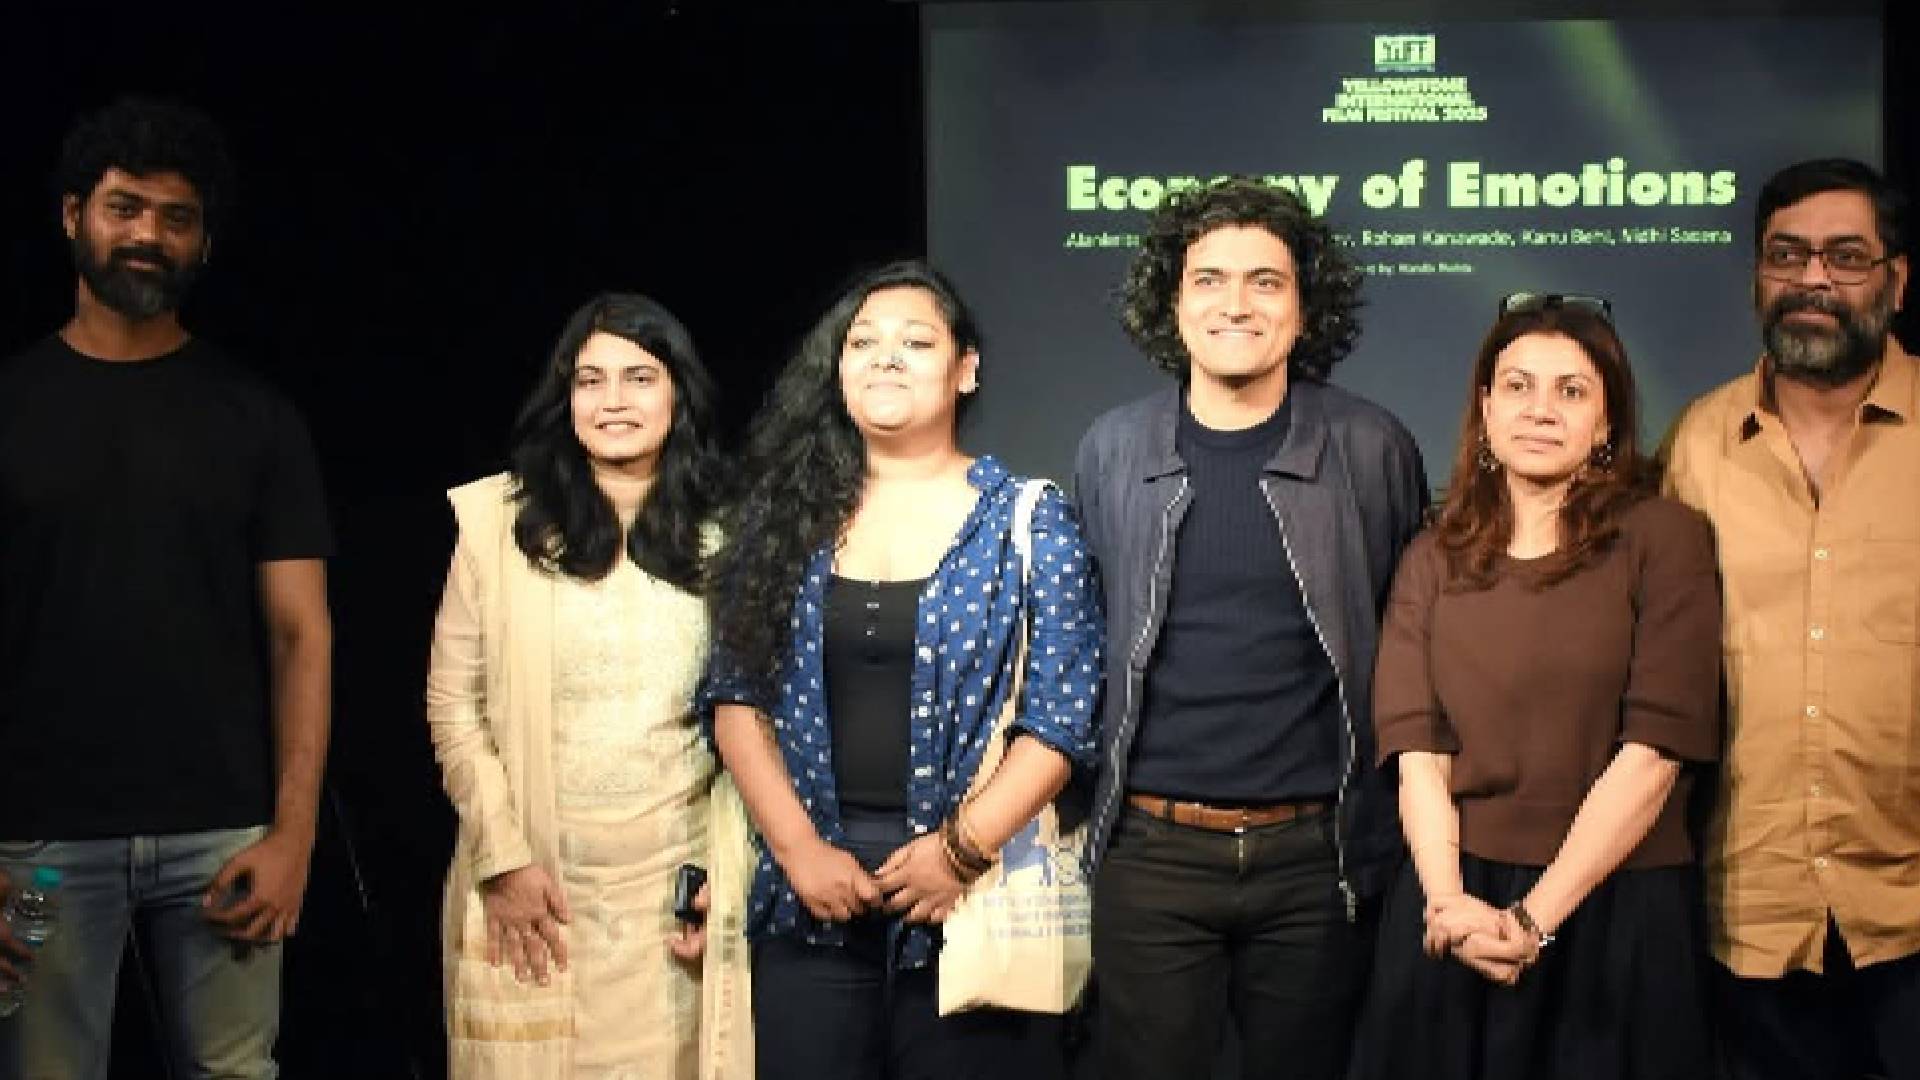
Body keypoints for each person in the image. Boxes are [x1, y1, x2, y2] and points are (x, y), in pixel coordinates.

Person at [0, 97, 333, 1080]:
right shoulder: (9, 407)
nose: (148, 234)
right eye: (125, 207)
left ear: (203, 243)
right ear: (73, 216)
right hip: (37, 847)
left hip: (224, 842)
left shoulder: (258, 418)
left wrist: (295, 835)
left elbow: (302, 636)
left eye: (176, 217)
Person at [704, 260, 1101, 1080]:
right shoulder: (780, 518)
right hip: (810, 896)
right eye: (863, 343)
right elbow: (736, 698)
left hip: (981, 896)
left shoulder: (1029, 519)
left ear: (965, 369)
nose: (886, 357)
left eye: (916, 342)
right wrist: (800, 852)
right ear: (838, 370)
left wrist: (958, 853)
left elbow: (1062, 719)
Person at [1072, 176, 1426, 1080]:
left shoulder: (1371, 446)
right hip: (1152, 851)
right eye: (1209, 279)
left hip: (1318, 857)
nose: (1236, 304)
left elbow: (1409, 642)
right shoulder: (1112, 447)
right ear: (1173, 302)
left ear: (1306, 309)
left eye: (1266, 281)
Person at [1351, 293, 1721, 1079]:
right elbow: (1418, 753)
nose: (1540, 409)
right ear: (1485, 407)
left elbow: (1656, 752)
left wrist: (1532, 922)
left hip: (1614, 905)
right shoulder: (1432, 555)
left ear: (1607, 420)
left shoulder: (1664, 538)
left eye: (1571, 390)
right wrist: (1450, 905)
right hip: (1455, 898)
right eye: (1517, 386)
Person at [424, 293, 751, 1078]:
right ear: (563, 396)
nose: (613, 401)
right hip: (530, 894)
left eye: (639, 377)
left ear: (678, 393)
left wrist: (736, 882)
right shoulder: (497, 524)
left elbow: (760, 720)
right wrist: (503, 860)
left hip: (674, 899)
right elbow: (453, 704)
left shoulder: (732, 531)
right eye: (590, 380)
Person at [1663, 158, 1919, 1080]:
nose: (1813, 278)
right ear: (1758, 277)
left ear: (1896, 279)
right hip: (1751, 916)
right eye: (1787, 255)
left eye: (1845, 256)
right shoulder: (1696, 443)